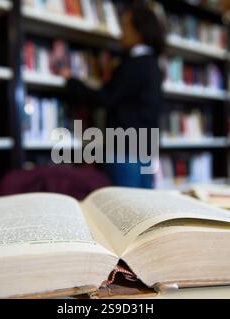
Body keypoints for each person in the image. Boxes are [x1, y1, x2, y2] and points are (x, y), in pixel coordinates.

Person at [61, 3, 165, 188]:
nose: (121, 33)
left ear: (139, 31)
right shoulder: (154, 65)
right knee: (145, 209)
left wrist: (72, 82)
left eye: (125, 26)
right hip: (146, 149)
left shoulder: (133, 64)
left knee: (124, 209)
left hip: (125, 150)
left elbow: (106, 98)